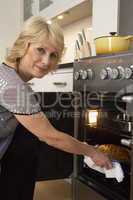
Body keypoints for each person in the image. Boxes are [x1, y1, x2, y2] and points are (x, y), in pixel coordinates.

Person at [0, 16, 112, 200]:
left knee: (27, 132)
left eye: (53, 55)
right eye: (40, 50)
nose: (46, 61)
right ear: (24, 45)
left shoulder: (6, 74)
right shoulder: (15, 87)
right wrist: (92, 151)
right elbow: (51, 137)